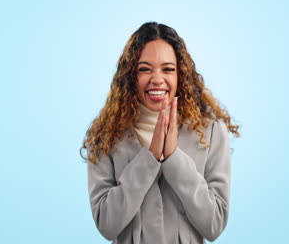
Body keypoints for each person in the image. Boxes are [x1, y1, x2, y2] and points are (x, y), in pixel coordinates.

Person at [80, 22, 240, 244]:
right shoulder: (106, 135)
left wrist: (174, 158)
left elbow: (214, 224)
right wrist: (150, 158)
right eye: (145, 69)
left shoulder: (210, 132)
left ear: (180, 75)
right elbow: (107, 224)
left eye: (168, 69)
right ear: (130, 76)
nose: (157, 79)